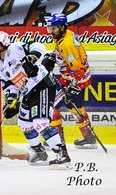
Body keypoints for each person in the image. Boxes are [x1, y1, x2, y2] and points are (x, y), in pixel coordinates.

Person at [0, 31, 71, 168]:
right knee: (24, 123)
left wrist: (32, 57)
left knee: (40, 123)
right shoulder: (0, 67)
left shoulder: (15, 48)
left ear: (0, 46)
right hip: (28, 92)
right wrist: (10, 102)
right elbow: (9, 86)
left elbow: (38, 45)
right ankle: (39, 152)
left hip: (42, 84)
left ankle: (62, 154)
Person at [45, 13, 96, 149]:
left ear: (62, 27)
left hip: (76, 80)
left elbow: (77, 69)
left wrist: (73, 88)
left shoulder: (67, 44)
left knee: (52, 106)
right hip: (74, 78)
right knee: (74, 107)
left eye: (53, 28)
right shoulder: (64, 35)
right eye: (49, 28)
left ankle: (56, 140)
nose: (51, 31)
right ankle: (89, 137)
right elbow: (61, 54)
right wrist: (51, 56)